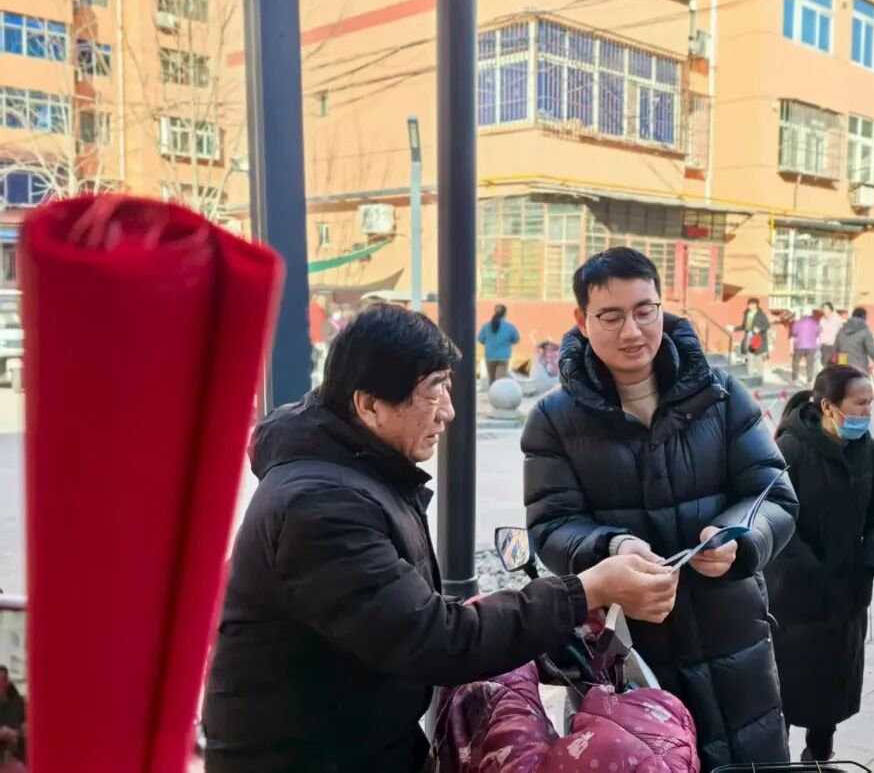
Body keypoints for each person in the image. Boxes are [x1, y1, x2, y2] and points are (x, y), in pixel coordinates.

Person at [202, 303, 679, 773]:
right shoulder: (321, 507)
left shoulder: (358, 469)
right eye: (432, 393)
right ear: (369, 405)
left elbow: (406, 613)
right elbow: (436, 640)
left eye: (447, 387)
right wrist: (586, 590)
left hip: (354, 740)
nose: (447, 412)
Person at [522, 247, 799, 769]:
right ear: (582, 320)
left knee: (753, 755)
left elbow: (773, 493)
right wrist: (612, 547)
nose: (633, 331)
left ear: (661, 306)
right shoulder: (555, 420)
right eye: (611, 316)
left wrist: (739, 538)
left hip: (733, 631)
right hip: (633, 648)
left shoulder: (720, 395)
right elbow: (552, 525)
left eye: (644, 311)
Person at [767, 365, 874, 763]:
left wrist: (871, 559)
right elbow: (778, 521)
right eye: (859, 404)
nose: (866, 412)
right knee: (789, 686)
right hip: (796, 597)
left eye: (869, 403)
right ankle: (777, 759)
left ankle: (819, 756)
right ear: (828, 406)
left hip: (849, 595)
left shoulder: (867, 449)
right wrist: (815, 573)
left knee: (834, 684)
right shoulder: (790, 450)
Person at [477, 304, 520, 384]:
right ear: (505, 314)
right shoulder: (509, 327)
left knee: (492, 381)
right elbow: (516, 339)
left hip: (490, 356)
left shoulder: (486, 326)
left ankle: (492, 392)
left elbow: (480, 339)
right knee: (500, 381)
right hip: (503, 357)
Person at [835, 307, 874, 374]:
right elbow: (872, 352)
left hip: (843, 366)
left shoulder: (841, 331)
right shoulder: (865, 332)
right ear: (864, 317)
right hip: (859, 367)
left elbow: (835, 350)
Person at [790, 306, 820, 385]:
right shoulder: (815, 323)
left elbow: (794, 333)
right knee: (810, 364)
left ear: (802, 313)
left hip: (800, 346)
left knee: (796, 362)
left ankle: (795, 379)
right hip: (812, 346)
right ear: (810, 313)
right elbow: (818, 333)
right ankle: (809, 381)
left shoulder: (798, 322)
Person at [0, 667, 24, 764]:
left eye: (3, 680)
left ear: (7, 682)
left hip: (12, 752)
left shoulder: (16, 700)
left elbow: (15, 730)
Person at [818, 302, 842, 366]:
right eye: (823, 308)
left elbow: (841, 330)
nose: (824, 310)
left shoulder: (837, 318)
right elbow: (820, 331)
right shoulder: (822, 319)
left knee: (835, 364)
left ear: (831, 309)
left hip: (834, 345)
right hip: (825, 345)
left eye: (826, 308)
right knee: (825, 363)